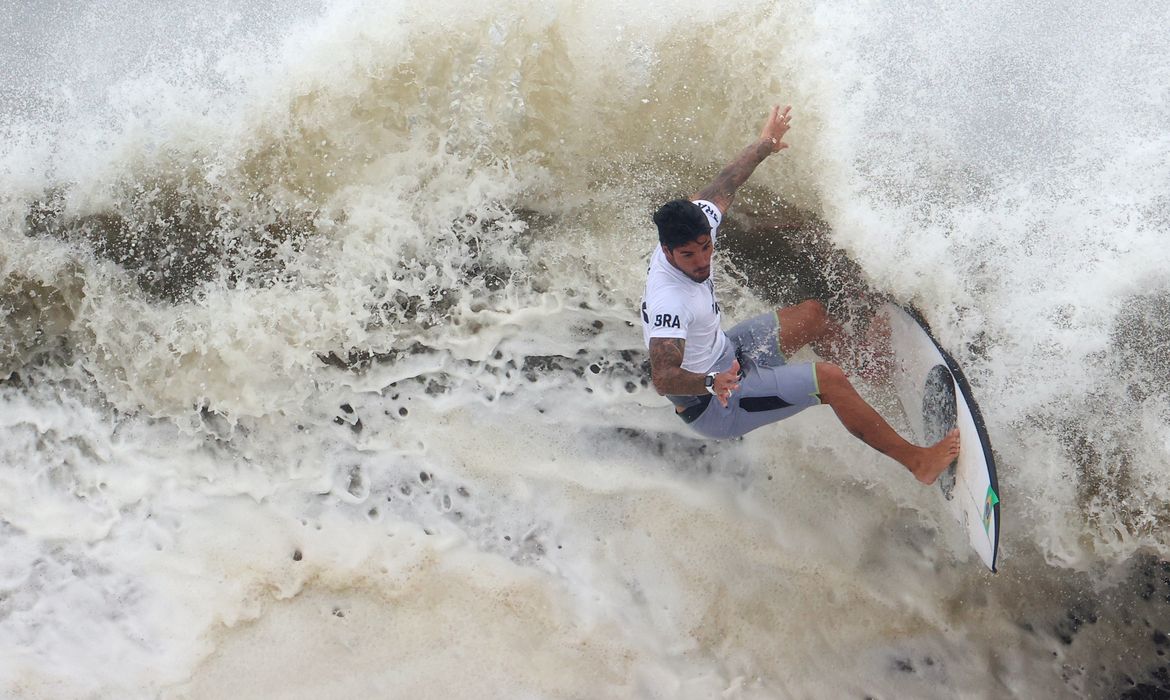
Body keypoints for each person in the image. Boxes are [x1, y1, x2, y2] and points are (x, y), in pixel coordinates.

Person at [640, 105, 959, 485]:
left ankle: (873, 367)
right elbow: (663, 377)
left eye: (706, 248)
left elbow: (727, 182)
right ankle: (918, 463)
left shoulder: (697, 224)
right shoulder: (669, 302)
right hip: (715, 403)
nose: (702, 262)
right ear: (667, 249)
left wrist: (766, 142)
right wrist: (712, 383)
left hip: (727, 352)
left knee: (812, 316)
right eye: (688, 256)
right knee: (828, 380)